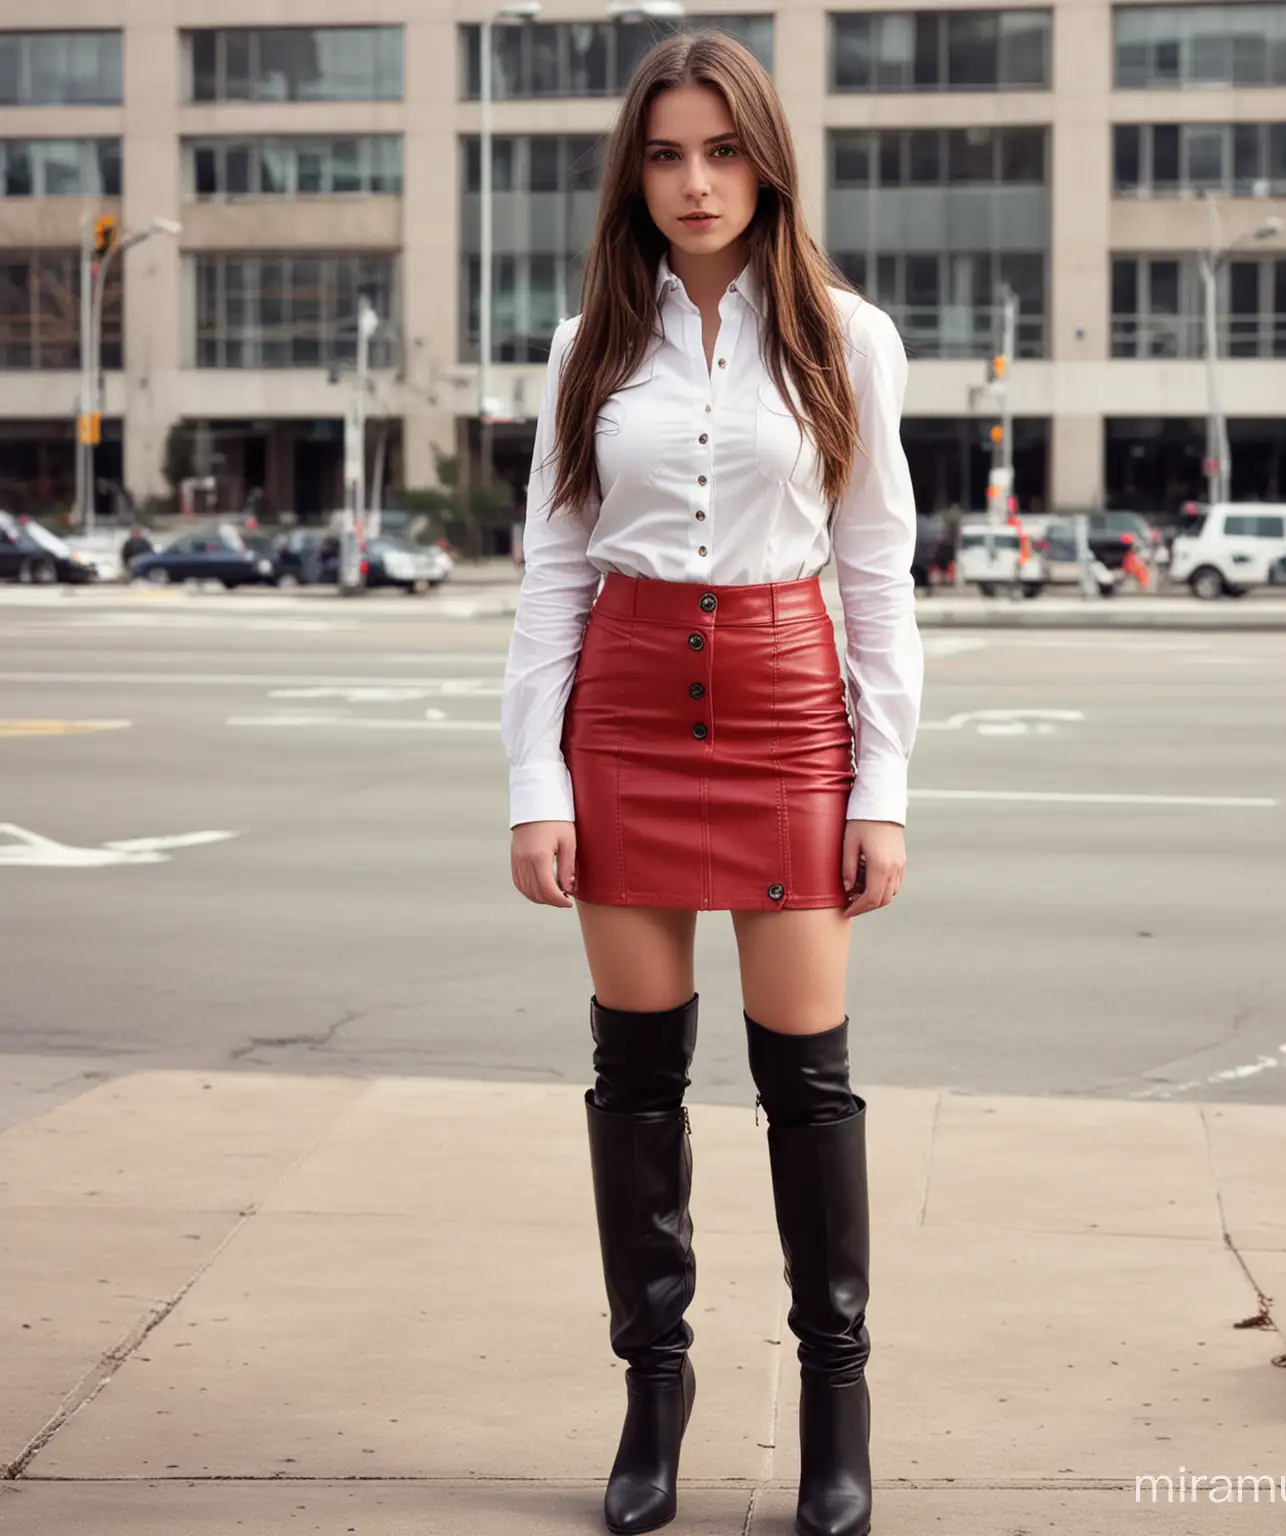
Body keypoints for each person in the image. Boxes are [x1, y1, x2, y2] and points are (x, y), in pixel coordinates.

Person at [500, 31, 922, 1536]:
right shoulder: (584, 348)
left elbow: (878, 575)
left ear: (767, 161)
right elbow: (551, 573)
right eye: (667, 153)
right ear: (636, 170)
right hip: (620, 714)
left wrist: (882, 790)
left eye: (721, 150)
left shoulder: (844, 336)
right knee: (638, 1079)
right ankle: (652, 1403)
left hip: (787, 715)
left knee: (807, 1085)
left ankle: (835, 1414)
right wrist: (530, 784)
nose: (694, 181)